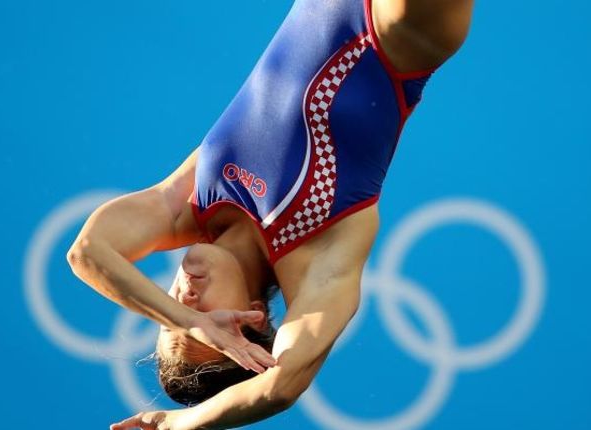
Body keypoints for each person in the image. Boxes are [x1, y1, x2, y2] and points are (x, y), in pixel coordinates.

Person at [66, 0, 474, 428]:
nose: (186, 303)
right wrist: (178, 425)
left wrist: (188, 321)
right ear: (253, 316)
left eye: (171, 320)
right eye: (208, 328)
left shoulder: (187, 205)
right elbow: (280, 387)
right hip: (393, 31)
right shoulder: (319, 256)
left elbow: (86, 253)